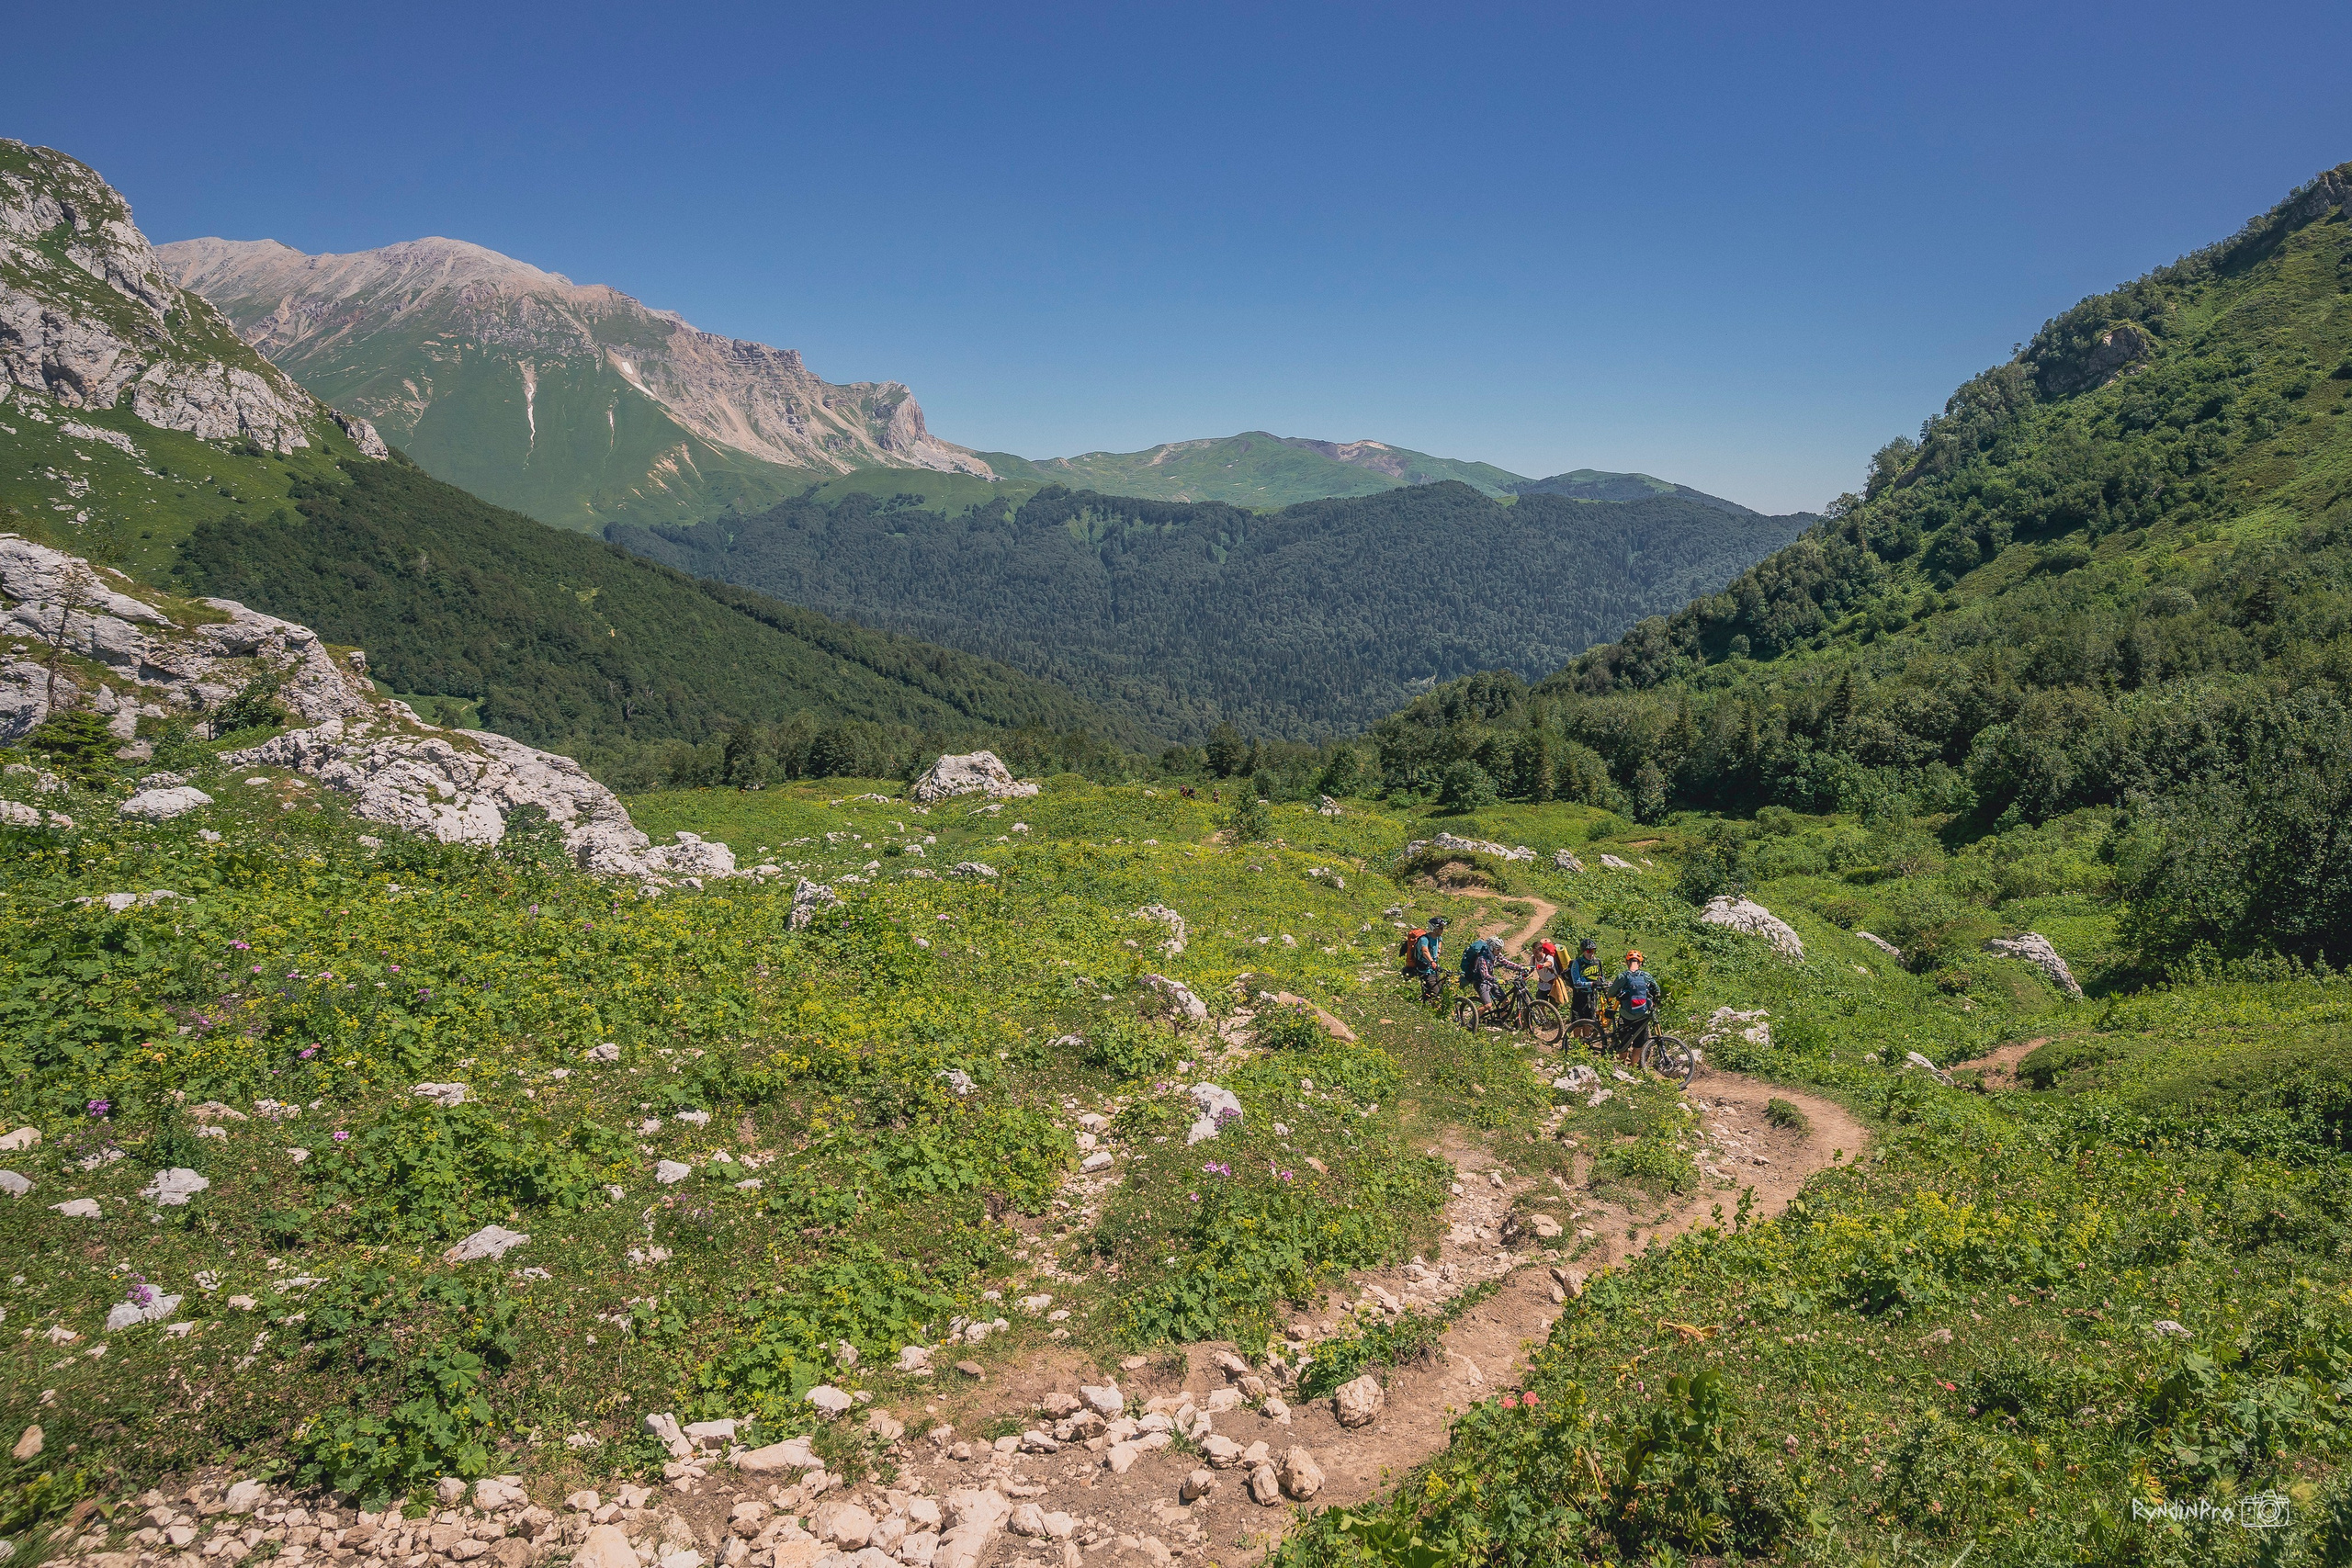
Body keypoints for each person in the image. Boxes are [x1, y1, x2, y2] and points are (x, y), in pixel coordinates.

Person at [1609, 949, 1663, 1054]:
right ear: (1640, 963)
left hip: (1626, 1015)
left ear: (1627, 962)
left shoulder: (1622, 976)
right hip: (1642, 1015)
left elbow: (1611, 993)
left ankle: (1622, 1066)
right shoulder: (1646, 976)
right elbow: (1657, 991)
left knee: (1623, 1046)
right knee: (1638, 1047)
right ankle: (1633, 1067)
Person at [1566, 939, 1603, 1022]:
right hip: (1579, 996)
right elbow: (1577, 983)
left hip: (1592, 996)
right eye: (1589, 951)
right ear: (1583, 951)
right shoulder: (1577, 963)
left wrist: (1601, 981)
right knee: (1577, 1022)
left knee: (1589, 1022)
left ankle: (1586, 1036)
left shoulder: (1597, 962)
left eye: (1593, 950)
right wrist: (1592, 983)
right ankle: (1577, 1036)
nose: (1591, 953)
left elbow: (1601, 976)